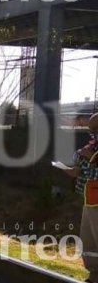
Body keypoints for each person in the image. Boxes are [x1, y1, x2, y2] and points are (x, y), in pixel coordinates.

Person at [63, 113, 98, 283]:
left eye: (96, 130)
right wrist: (74, 170)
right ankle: (94, 275)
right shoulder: (92, 146)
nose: (93, 134)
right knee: (88, 239)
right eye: (91, 130)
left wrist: (87, 158)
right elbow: (80, 162)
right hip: (90, 198)